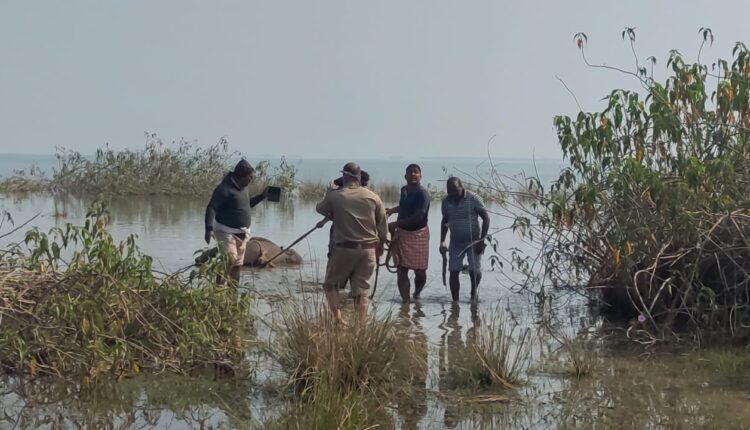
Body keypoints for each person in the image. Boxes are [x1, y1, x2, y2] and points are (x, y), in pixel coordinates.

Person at [316, 162, 387, 324]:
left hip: (344, 250)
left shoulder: (336, 196)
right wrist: (381, 243)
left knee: (330, 286)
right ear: (359, 177)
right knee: (362, 291)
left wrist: (328, 194)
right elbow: (382, 224)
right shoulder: (373, 196)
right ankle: (361, 326)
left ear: (345, 176)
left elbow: (320, 209)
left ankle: (339, 320)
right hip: (368, 251)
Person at [204, 159, 268, 284]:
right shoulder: (224, 189)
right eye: (250, 177)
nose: (251, 179)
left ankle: (232, 296)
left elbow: (247, 204)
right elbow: (211, 207)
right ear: (241, 176)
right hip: (225, 231)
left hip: (242, 234)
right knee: (230, 259)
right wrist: (208, 229)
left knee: (237, 265)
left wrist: (262, 196)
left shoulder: (243, 188)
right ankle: (218, 290)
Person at [439, 177, 490, 302]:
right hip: (455, 242)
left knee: (475, 270)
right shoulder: (446, 201)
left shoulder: (474, 198)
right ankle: (455, 302)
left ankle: (473, 293)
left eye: (455, 191)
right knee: (453, 271)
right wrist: (442, 241)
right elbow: (445, 221)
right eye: (450, 191)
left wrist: (481, 240)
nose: (453, 194)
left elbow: (486, 218)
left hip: (474, 240)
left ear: (462, 187)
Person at [386, 164, 430, 302]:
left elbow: (419, 215)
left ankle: (417, 294)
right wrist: (392, 210)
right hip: (402, 234)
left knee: (420, 271)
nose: (413, 174)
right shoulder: (404, 190)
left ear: (420, 175)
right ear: (405, 176)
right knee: (401, 269)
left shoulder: (423, 193)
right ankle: (406, 302)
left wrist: (397, 223)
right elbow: (405, 207)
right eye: (410, 172)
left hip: (419, 234)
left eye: (416, 172)